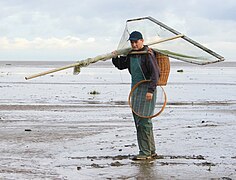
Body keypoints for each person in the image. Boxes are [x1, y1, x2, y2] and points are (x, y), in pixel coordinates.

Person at [112, 31, 160, 160]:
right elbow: (121, 65)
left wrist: (150, 91)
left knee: (144, 121)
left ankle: (145, 152)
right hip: (136, 90)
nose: (134, 44)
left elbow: (156, 74)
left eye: (136, 42)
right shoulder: (131, 55)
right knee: (140, 121)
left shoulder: (148, 54)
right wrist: (115, 57)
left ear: (142, 41)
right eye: (132, 42)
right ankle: (151, 151)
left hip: (147, 90)